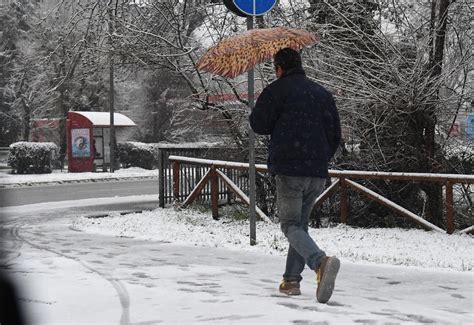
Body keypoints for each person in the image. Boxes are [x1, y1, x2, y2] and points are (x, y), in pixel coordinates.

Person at [249, 47, 342, 303]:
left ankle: (320, 262)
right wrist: (319, 158)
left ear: (278, 68)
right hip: (316, 171)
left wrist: (260, 106)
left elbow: (258, 125)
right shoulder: (321, 93)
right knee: (299, 226)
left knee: (290, 225)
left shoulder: (276, 91)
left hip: (290, 169)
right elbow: (335, 134)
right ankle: (291, 281)